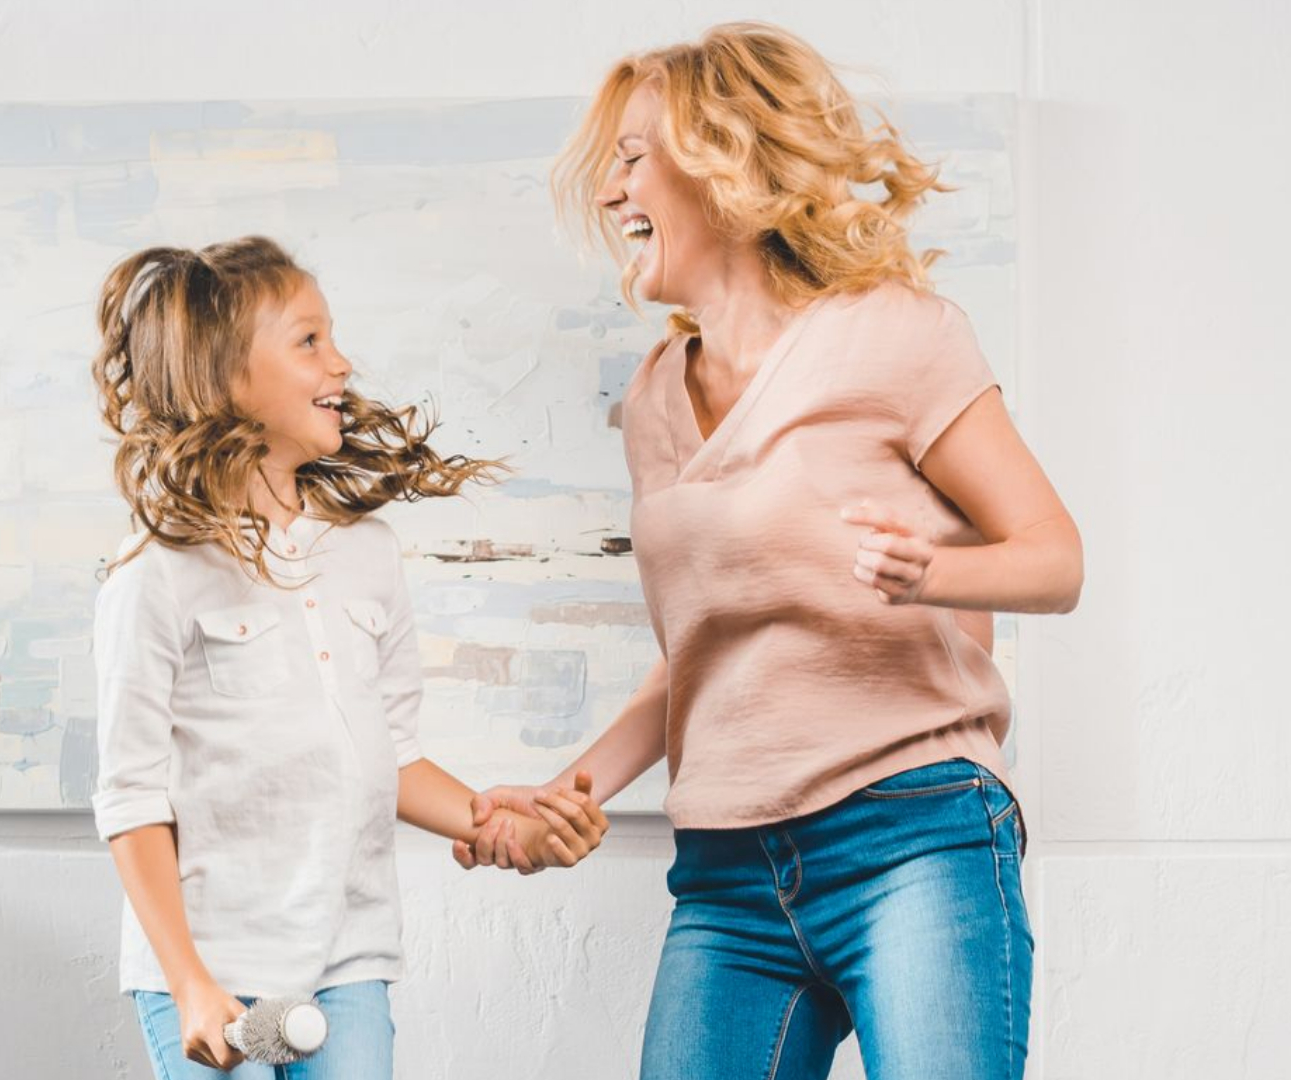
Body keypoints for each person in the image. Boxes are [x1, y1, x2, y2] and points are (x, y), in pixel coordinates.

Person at [458, 23, 1083, 1080]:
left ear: (723, 161)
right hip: (727, 874)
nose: (610, 192)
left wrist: (934, 573)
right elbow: (696, 659)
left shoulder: (897, 333)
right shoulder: (653, 401)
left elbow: (1055, 558)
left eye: (632, 157)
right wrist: (569, 790)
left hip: (913, 832)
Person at [88, 237, 610, 1079]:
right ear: (225, 377)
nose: (342, 363)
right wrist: (187, 983)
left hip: (347, 962)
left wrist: (502, 824)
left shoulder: (367, 553)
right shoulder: (155, 571)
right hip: (212, 968)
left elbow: (389, 755)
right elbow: (132, 797)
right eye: (309, 341)